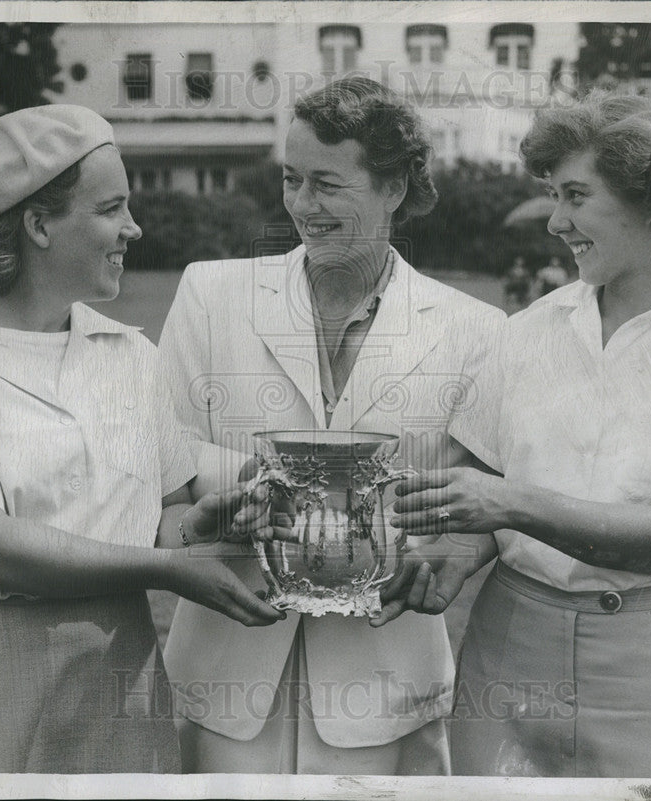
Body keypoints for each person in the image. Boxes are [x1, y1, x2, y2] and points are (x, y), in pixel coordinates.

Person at [376, 92, 651, 777]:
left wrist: (507, 504)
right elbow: (478, 491)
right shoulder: (527, 332)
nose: (555, 221)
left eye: (574, 195)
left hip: (644, 672)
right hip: (504, 654)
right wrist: (452, 551)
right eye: (552, 195)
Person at [0, 104, 283, 774]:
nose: (133, 228)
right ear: (38, 224)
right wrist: (164, 567)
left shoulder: (126, 355)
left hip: (119, 671)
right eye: (111, 209)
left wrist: (197, 523)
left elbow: (164, 513)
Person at [157, 77, 503, 774]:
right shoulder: (208, 293)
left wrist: (463, 551)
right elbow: (162, 471)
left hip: (388, 689)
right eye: (291, 180)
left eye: (326, 184)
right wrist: (231, 499)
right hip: (225, 687)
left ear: (394, 188)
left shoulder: (477, 330)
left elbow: (483, 500)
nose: (302, 206)